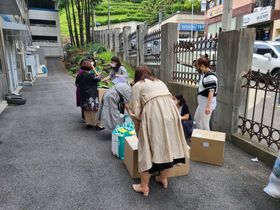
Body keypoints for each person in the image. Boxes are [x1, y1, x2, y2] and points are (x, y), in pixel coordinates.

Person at [129, 65, 189, 197]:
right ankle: (163, 178)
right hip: (172, 114)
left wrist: (138, 128)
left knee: (147, 149)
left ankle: (144, 186)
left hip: (155, 116)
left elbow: (136, 111)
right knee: (170, 146)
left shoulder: (137, 85)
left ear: (137, 75)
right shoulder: (159, 81)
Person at [75, 59, 104, 130]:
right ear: (90, 67)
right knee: (94, 109)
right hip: (91, 94)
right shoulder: (90, 75)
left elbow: (76, 83)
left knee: (86, 110)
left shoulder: (79, 75)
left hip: (83, 94)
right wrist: (100, 75)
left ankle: (89, 123)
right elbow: (98, 79)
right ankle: (96, 124)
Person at [194, 57, 218, 131]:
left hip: (206, 103)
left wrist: (208, 106)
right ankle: (200, 137)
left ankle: (207, 141)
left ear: (202, 66)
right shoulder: (205, 74)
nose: (198, 68)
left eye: (198, 66)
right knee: (197, 119)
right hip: (203, 103)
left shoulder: (210, 76)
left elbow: (211, 92)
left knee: (205, 124)